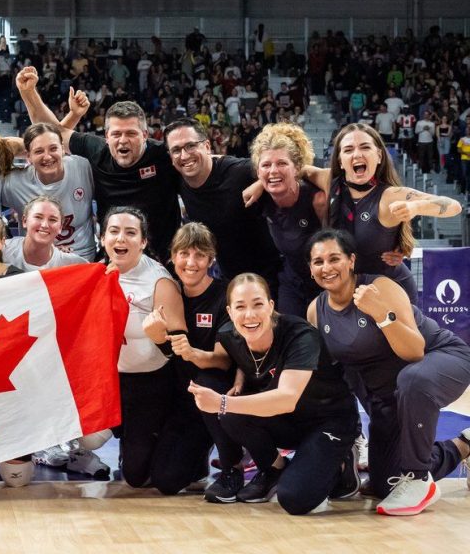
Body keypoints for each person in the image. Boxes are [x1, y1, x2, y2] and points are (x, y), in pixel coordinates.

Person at [308, 229, 470, 516]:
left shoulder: (381, 288)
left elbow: (414, 351)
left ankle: (420, 479)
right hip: (391, 395)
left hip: (442, 357)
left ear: (351, 261)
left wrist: (381, 314)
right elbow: (339, 374)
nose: (326, 267)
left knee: (414, 378)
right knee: (386, 483)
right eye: (318, 262)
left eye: (334, 258)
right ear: (310, 269)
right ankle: (464, 444)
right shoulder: (316, 312)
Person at [187, 273, 361, 515]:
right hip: (286, 422)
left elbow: (287, 398)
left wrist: (222, 402)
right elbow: (245, 360)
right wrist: (238, 380)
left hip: (327, 420)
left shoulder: (300, 336)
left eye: (257, 304)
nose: (249, 315)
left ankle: (342, 466)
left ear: (270, 306)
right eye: (240, 307)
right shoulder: (229, 335)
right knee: (231, 414)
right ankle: (274, 470)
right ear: (230, 311)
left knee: (294, 499)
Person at [16, 66, 179, 261]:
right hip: (114, 258)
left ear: (145, 135)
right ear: (107, 136)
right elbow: (52, 134)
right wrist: (28, 92)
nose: (123, 140)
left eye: (131, 134)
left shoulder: (165, 155)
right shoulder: (96, 150)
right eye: (116, 134)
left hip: (163, 259)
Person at [142, 222, 243, 503]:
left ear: (211, 260)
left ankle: (232, 467)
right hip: (184, 400)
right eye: (184, 254)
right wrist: (158, 337)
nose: (191, 262)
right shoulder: (166, 293)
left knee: (205, 381)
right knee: (165, 481)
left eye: (200, 255)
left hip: (220, 393)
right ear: (172, 257)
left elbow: (222, 362)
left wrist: (191, 353)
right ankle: (198, 457)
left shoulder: (225, 296)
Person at [102, 206, 189, 490]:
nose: (121, 239)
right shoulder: (96, 273)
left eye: (130, 233)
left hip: (149, 384)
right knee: (89, 437)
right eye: (114, 231)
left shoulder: (159, 282)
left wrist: (159, 338)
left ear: (143, 242)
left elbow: (182, 354)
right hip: (111, 380)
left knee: (137, 477)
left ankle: (175, 445)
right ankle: (125, 436)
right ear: (103, 238)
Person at [325, 123, 462, 300]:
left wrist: (416, 207)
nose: (357, 154)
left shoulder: (390, 195)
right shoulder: (327, 185)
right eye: (349, 149)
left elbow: (453, 206)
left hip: (390, 292)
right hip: (346, 292)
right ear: (340, 161)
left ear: (379, 156)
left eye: (365, 147)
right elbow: (299, 172)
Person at [163, 118, 281, 287]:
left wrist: (263, 181)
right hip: (230, 280)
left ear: (207, 146)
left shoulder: (239, 171)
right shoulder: (178, 179)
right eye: (176, 150)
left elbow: (295, 168)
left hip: (271, 275)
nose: (184, 155)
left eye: (191, 146)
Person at [248, 123, 326, 317]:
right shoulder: (258, 199)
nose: (273, 171)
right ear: (258, 173)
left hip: (326, 285)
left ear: (298, 168)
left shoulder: (318, 200)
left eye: (282, 163)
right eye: (266, 165)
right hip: (291, 285)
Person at [2, 123, 96, 260]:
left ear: (63, 149)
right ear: (28, 156)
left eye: (53, 148)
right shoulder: (14, 183)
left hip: (82, 261)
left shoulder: (83, 167)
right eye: (39, 151)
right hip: (36, 263)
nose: (47, 157)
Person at [0, 194, 87, 272]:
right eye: (38, 217)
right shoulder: (0, 251)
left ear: (60, 227)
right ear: (24, 221)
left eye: (52, 219)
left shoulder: (75, 265)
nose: (45, 225)